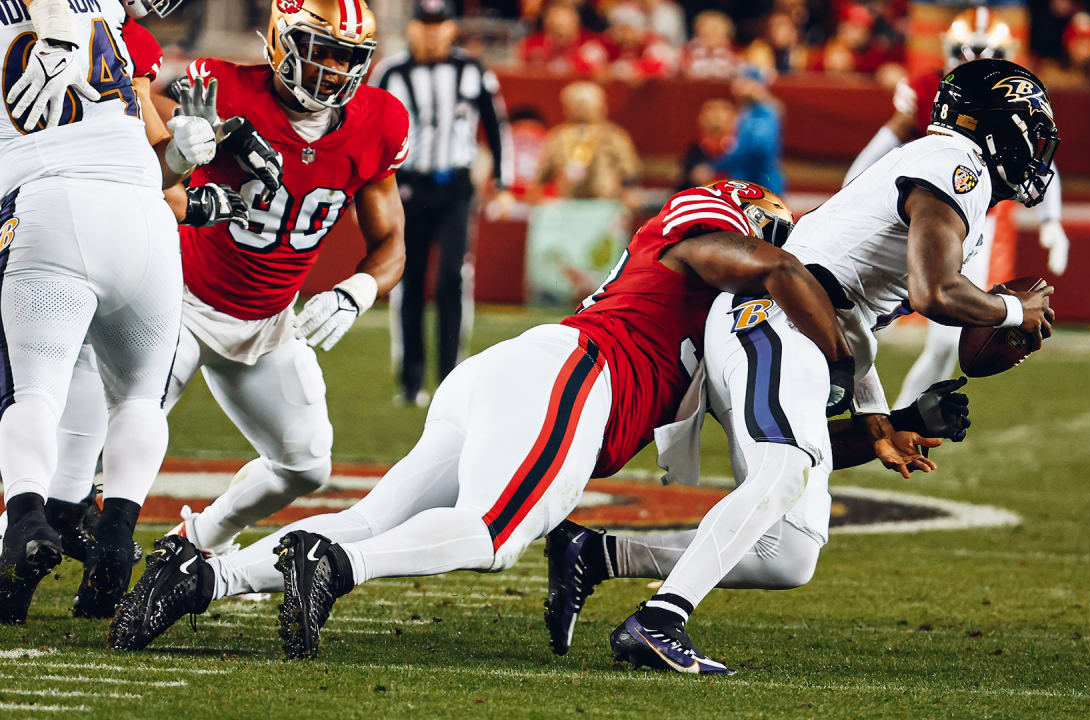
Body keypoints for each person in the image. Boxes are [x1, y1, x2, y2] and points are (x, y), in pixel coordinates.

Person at [107, 179, 855, 658]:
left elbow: (781, 436)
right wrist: (846, 365)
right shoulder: (710, 234)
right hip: (572, 376)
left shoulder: (715, 322)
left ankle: (203, 580)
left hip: (522, 375)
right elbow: (774, 268)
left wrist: (876, 423)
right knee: (491, 536)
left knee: (373, 516)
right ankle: (333, 567)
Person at [546, 58, 1059, 674]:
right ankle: (657, 622)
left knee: (788, 551)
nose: (1037, 147)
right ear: (993, 125)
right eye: (1030, 128)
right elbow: (934, 294)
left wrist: (884, 421)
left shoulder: (950, 180)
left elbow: (854, 322)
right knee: (785, 465)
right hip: (772, 314)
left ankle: (594, 552)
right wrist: (1010, 309)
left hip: (805, 328)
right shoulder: (956, 164)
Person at [68, 0, 405, 571]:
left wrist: (360, 290)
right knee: (90, 443)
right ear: (280, 43)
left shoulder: (380, 120)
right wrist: (184, 144)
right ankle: (26, 532)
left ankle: (198, 538)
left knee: (306, 464)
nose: (332, 69)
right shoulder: (220, 85)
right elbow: (143, 154)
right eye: (320, 50)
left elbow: (392, 242)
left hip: (270, 320)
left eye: (347, 57)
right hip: (177, 301)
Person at [0, 0, 223, 623]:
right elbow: (156, 162)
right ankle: (118, 537)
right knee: (137, 399)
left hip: (49, 205)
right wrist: (184, 157)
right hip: (145, 219)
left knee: (34, 392)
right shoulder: (103, 15)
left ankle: (25, 523)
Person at [843, 7, 1069, 411]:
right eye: (969, 51)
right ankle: (883, 418)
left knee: (939, 336)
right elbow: (877, 151)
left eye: (989, 52)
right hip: (928, 214)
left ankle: (895, 418)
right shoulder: (929, 90)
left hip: (973, 224)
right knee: (869, 311)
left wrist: (1052, 221)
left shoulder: (1013, 97)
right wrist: (856, 191)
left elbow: (1040, 162)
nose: (977, 61)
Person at [372, 0, 514, 407]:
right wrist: (363, 190)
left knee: (452, 276)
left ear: (452, 29)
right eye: (424, 24)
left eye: (439, 24)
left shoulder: (471, 70)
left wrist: (503, 182)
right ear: (411, 28)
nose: (432, 33)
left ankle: (452, 379)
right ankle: (411, 382)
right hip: (408, 188)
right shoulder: (391, 72)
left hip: (455, 186)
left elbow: (495, 125)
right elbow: (370, 132)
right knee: (411, 281)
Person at [535, 81, 640, 203]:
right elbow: (542, 174)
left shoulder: (613, 136)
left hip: (605, 200)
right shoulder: (558, 136)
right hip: (566, 201)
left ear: (601, 106)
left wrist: (628, 193)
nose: (581, 109)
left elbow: (629, 170)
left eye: (586, 105)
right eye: (577, 105)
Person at [710, 66, 785, 193]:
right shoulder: (746, 111)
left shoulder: (765, 112)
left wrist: (717, 167)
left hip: (761, 183)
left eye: (742, 80)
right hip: (743, 181)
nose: (736, 85)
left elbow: (758, 149)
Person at [676, 97, 734, 190]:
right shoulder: (695, 149)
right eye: (711, 110)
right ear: (701, 119)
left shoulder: (740, 148)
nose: (716, 115)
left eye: (722, 111)